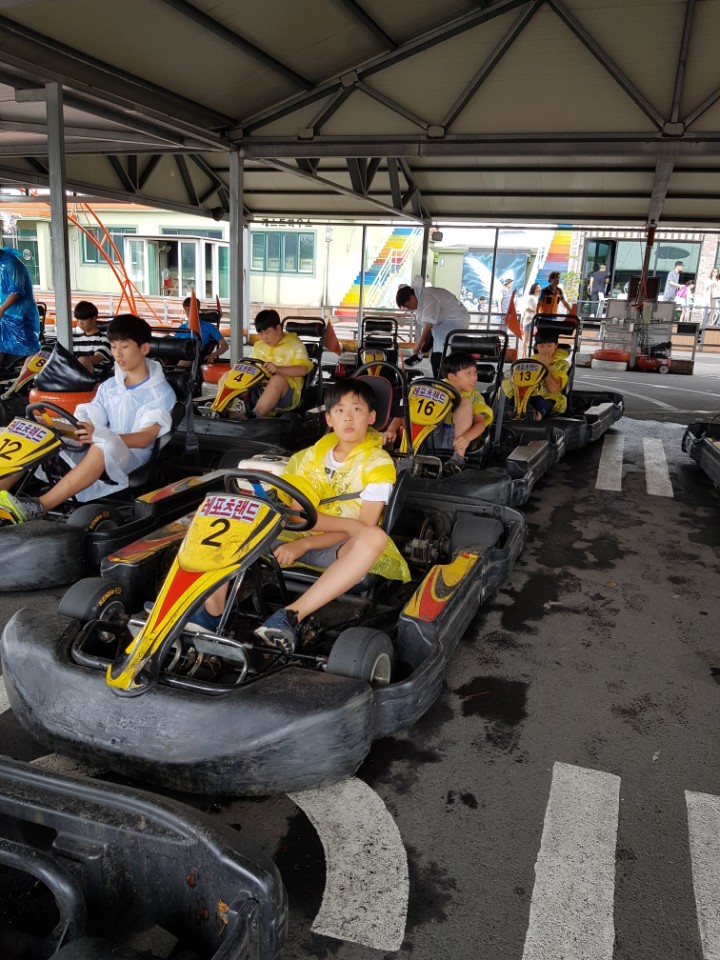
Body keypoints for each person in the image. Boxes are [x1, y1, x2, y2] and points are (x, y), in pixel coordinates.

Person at [191, 378, 411, 651]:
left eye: (357, 409)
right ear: (329, 418)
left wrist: (305, 543)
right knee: (229, 512)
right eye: (340, 410)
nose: (348, 417)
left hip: (339, 548)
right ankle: (211, 611)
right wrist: (303, 531)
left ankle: (291, 616)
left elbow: (363, 527)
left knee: (374, 537)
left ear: (372, 417)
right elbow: (295, 514)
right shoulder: (308, 457)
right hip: (292, 534)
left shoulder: (379, 464)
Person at [0, 314, 176, 521]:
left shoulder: (160, 393)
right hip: (100, 443)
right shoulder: (110, 386)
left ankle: (39, 506)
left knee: (103, 445)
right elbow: (95, 414)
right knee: (34, 434)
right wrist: (82, 429)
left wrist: (100, 436)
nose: (117, 353)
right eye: (113, 346)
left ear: (144, 348)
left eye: (124, 346)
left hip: (133, 456)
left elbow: (145, 438)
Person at [383, 350, 493, 471]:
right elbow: (410, 410)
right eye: (468, 373)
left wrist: (467, 438)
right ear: (452, 377)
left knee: (464, 402)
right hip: (429, 436)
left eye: (475, 372)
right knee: (413, 400)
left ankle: (458, 459)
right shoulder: (435, 388)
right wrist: (391, 429)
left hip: (459, 440)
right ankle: (406, 454)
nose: (475, 377)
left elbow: (480, 424)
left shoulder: (474, 396)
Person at [227, 308, 314, 419]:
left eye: (267, 333)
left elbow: (303, 369)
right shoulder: (259, 346)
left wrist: (278, 369)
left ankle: (255, 416)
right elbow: (248, 364)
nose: (264, 338)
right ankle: (222, 409)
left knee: (277, 379)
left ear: (278, 328)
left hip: (286, 393)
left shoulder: (295, 345)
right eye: (261, 334)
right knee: (229, 375)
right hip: (258, 388)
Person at [397, 276, 470, 377]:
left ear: (412, 298)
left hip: (455, 322)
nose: (409, 309)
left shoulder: (428, 297)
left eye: (408, 305)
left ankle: (440, 378)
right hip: (443, 324)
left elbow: (428, 325)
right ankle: (420, 357)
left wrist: (418, 345)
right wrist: (420, 345)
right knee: (436, 355)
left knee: (441, 356)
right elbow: (428, 328)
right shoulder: (422, 299)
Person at [501, 329, 570, 420]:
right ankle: (510, 412)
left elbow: (553, 389)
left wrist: (546, 367)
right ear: (537, 347)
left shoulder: (561, 364)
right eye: (541, 346)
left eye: (549, 346)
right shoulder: (531, 360)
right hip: (526, 394)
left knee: (545, 402)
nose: (545, 350)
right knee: (508, 391)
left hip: (547, 397)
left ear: (556, 345)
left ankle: (535, 415)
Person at [0, 245, 41, 367]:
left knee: (27, 350)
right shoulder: (2, 264)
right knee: (2, 345)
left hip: (19, 316)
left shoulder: (11, 265)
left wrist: (1, 309)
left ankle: (28, 374)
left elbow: (16, 292)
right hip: (6, 314)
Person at [175, 296, 227, 364]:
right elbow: (174, 346)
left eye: (190, 309)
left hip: (196, 357)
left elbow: (225, 346)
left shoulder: (210, 327)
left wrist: (212, 355)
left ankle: (177, 369)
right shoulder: (181, 328)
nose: (188, 312)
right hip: (180, 355)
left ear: (197, 310)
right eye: (186, 310)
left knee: (187, 358)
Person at [72, 301, 112, 374]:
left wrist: (83, 360)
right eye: (77, 319)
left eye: (83, 319)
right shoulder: (74, 338)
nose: (80, 323)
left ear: (94, 318)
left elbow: (98, 358)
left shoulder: (104, 339)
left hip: (95, 377)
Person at [520, 283, 541, 358]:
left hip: (533, 321)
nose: (539, 289)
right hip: (529, 321)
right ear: (534, 289)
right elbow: (526, 308)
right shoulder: (531, 298)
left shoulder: (537, 298)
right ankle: (525, 356)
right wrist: (536, 311)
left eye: (540, 287)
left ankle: (524, 356)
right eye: (538, 287)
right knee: (526, 340)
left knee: (528, 340)